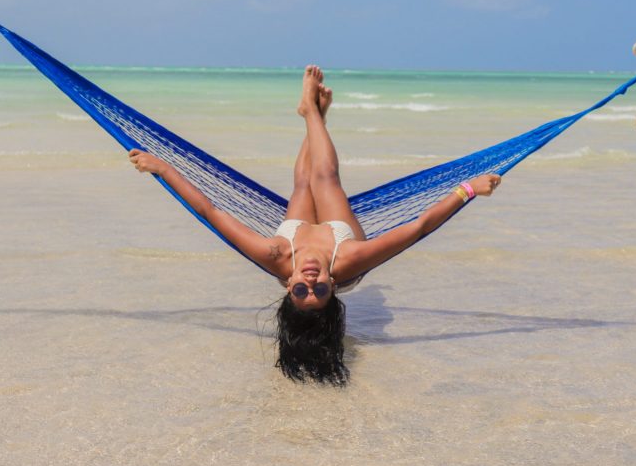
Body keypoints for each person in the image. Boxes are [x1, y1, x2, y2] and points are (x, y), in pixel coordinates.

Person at [129, 65, 501, 385]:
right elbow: (419, 227)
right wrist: (469, 189)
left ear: (287, 284)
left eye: (299, 292)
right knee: (324, 179)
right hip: (338, 238)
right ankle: (312, 113)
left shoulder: (274, 255)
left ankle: (314, 115)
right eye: (319, 292)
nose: (310, 283)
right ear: (333, 287)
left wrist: (162, 167)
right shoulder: (349, 262)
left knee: (303, 184)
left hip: (297, 237)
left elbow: (210, 211)